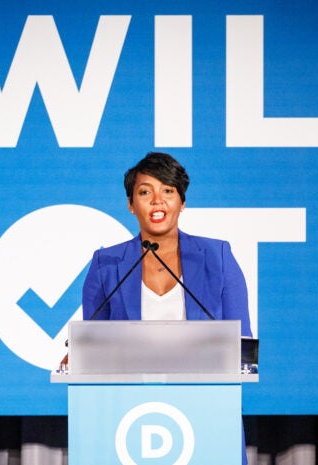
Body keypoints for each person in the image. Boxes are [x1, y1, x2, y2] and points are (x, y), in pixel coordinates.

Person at [81, 151, 252, 464]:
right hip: (130, 418)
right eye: (145, 192)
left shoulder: (219, 257)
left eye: (168, 192)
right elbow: (91, 346)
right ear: (131, 205)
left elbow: (242, 346)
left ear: (182, 202)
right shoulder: (106, 264)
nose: (157, 201)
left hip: (207, 413)